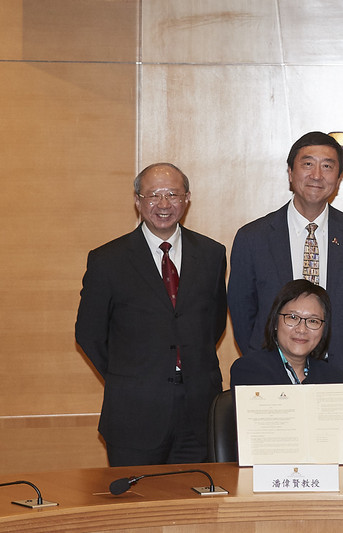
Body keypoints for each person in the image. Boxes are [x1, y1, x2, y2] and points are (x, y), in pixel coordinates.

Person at [75, 163, 227, 466]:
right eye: (153, 195)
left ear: (186, 200)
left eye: (173, 194)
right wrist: (130, 375)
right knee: (135, 508)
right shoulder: (108, 260)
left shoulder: (212, 254)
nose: (164, 204)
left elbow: (214, 323)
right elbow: (89, 334)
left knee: (193, 506)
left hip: (198, 411)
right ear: (137, 201)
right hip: (134, 413)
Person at [228, 131, 343, 382]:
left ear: (339, 178)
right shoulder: (253, 237)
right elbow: (243, 314)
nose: (317, 175)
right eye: (307, 164)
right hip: (269, 375)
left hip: (338, 373)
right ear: (290, 172)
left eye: (327, 166)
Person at [231, 279, 343, 456]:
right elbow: (280, 425)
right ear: (275, 322)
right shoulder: (248, 370)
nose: (302, 329)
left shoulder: (335, 378)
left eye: (313, 321)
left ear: (323, 329)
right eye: (293, 318)